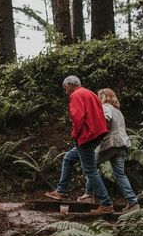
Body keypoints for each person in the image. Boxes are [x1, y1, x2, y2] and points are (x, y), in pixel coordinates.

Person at [45, 76, 114, 214]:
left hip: (86, 136)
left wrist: (75, 134)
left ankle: (106, 204)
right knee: (69, 158)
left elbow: (78, 117)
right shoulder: (91, 93)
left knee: (90, 170)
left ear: (70, 85)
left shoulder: (76, 95)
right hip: (96, 134)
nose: (66, 91)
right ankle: (60, 191)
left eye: (66, 88)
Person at [77, 89, 140, 212]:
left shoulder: (105, 107)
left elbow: (104, 119)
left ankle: (89, 195)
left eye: (99, 97)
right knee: (120, 174)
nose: (98, 100)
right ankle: (133, 202)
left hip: (111, 144)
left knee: (90, 166)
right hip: (122, 145)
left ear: (104, 97)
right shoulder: (118, 111)